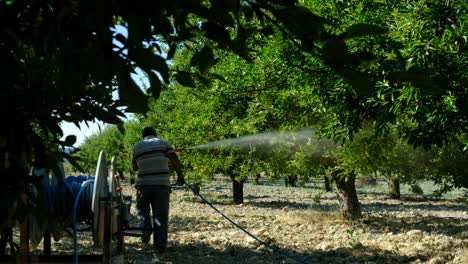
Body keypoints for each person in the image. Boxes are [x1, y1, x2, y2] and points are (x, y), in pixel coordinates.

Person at [132, 126, 185, 253]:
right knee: (160, 216)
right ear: (155, 134)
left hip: (143, 185)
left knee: (142, 210)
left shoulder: (137, 146)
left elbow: (134, 167)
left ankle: (145, 229)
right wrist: (180, 175)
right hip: (161, 185)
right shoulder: (164, 143)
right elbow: (174, 158)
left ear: (143, 136)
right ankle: (160, 248)